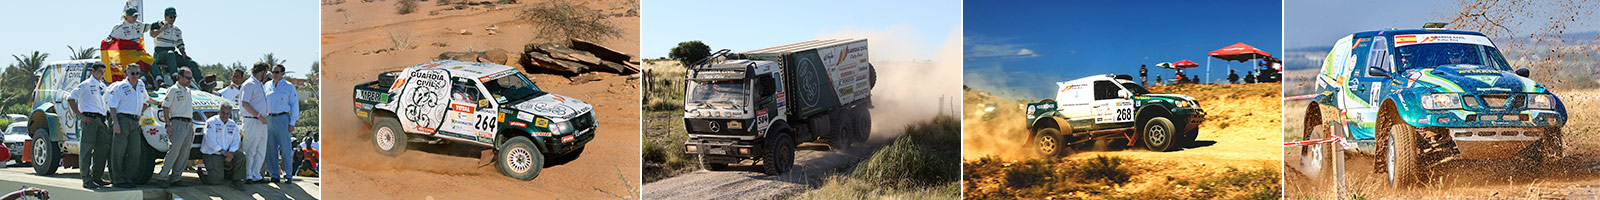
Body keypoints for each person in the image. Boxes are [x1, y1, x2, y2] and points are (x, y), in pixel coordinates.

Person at [106, 65, 157, 188]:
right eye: (132, 73)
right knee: (118, 152)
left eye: (137, 73)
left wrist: (159, 102)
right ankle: (118, 180)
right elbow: (112, 106)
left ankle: (128, 179)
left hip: (135, 121)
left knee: (135, 152)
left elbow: (146, 99)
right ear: (126, 74)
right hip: (122, 119)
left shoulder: (140, 85)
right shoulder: (119, 87)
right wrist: (116, 123)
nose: (135, 76)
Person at [68, 63, 113, 189]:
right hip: (90, 119)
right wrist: (80, 115)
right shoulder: (86, 84)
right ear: (93, 71)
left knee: (102, 149)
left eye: (103, 72)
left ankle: (96, 176)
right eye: (99, 72)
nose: (101, 74)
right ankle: (86, 179)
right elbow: (70, 98)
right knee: (86, 150)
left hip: (101, 119)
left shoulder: (102, 86)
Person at [155, 68, 197, 188]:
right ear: (180, 76)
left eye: (191, 78)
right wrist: (168, 124)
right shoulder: (173, 89)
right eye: (187, 78)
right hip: (177, 122)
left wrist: (191, 125)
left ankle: (176, 177)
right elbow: (166, 106)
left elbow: (189, 109)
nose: (189, 80)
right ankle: (162, 177)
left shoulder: (188, 91)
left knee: (184, 153)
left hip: (188, 123)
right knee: (174, 151)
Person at [150, 7, 203, 88]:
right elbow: (152, 34)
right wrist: (162, 29)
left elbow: (180, 44)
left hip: (172, 53)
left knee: (191, 62)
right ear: (165, 16)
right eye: (171, 17)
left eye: (174, 17)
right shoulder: (158, 24)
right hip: (160, 53)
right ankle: (175, 77)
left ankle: (202, 83)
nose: (173, 19)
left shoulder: (176, 30)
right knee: (170, 54)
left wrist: (184, 54)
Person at [200, 104, 247, 189]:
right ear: (218, 112)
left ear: (230, 114)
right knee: (215, 181)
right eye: (223, 113)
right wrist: (225, 153)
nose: (225, 115)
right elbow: (210, 141)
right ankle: (202, 174)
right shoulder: (211, 122)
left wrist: (231, 152)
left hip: (228, 152)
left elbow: (236, 140)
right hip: (213, 154)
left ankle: (237, 180)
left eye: (227, 113)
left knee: (241, 156)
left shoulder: (232, 124)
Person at [266, 65, 299, 182]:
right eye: (273, 72)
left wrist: (292, 122)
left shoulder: (289, 87)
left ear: (283, 73)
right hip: (269, 118)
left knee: (285, 148)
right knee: (271, 148)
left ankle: (288, 174)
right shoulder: (267, 86)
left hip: (283, 118)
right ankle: (274, 174)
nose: (274, 74)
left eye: (277, 72)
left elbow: (295, 105)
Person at [239, 63, 272, 183]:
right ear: (261, 72)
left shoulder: (259, 85)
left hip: (262, 121)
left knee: (261, 149)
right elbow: (245, 103)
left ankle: (256, 174)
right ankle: (248, 174)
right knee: (250, 149)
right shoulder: (249, 84)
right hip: (252, 120)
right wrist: (258, 116)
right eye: (265, 73)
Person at [106, 8, 154, 82]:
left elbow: (150, 26)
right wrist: (108, 42)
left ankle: (158, 79)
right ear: (126, 16)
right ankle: (142, 79)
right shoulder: (119, 27)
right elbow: (109, 38)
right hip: (125, 53)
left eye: (136, 16)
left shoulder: (138, 24)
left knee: (150, 59)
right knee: (138, 60)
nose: (135, 18)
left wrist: (160, 23)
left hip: (137, 51)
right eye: (133, 16)